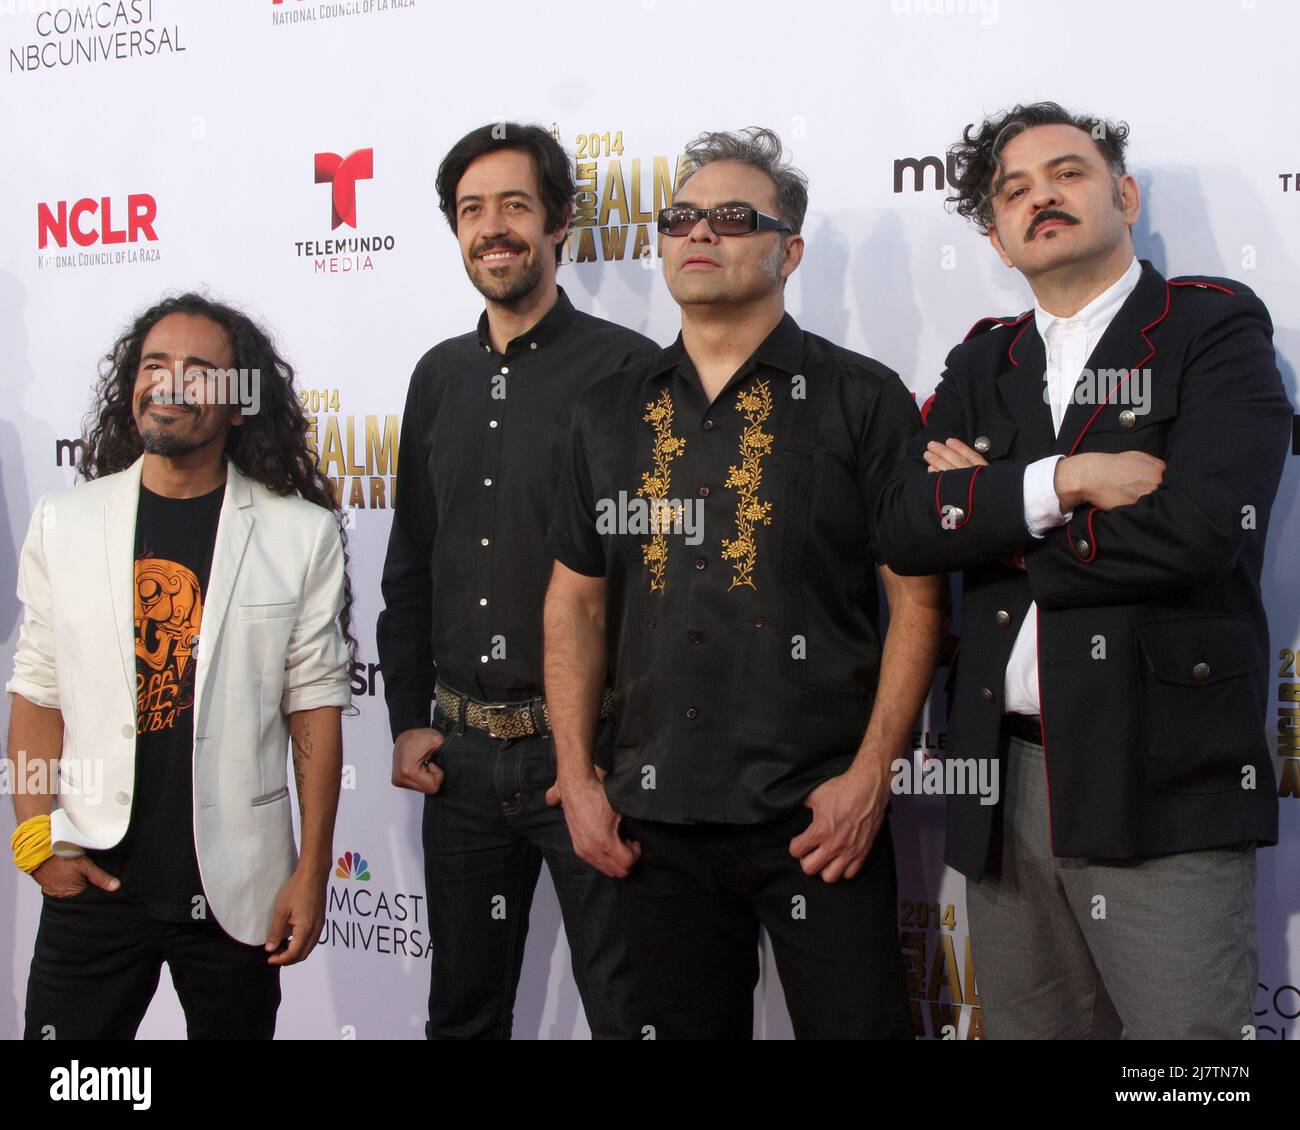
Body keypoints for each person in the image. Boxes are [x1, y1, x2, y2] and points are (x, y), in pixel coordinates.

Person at [873, 102, 1292, 1039]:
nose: (1041, 198)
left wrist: (992, 515)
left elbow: (1196, 531)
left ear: (1124, 194)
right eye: (1014, 190)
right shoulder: (987, 358)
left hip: (1158, 767)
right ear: (996, 237)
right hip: (1000, 773)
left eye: (1067, 173)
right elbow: (905, 524)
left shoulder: (1209, 332)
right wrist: (1070, 480)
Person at [544, 127, 946, 1039]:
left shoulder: (862, 397)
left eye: (732, 218)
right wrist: (576, 775)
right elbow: (575, 597)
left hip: (817, 820)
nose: (699, 233)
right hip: (652, 823)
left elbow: (917, 603)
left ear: (788, 250)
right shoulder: (608, 409)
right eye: (680, 217)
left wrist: (871, 777)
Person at [8, 293, 353, 1039]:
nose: (169, 382)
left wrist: (311, 868)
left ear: (239, 405)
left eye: (200, 371)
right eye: (154, 364)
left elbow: (316, 707)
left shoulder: (301, 535)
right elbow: (37, 693)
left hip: (238, 892)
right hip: (93, 879)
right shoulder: (64, 523)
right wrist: (33, 835)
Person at [377, 122, 656, 1040]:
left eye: (514, 206)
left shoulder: (627, 370)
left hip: (585, 760)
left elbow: (657, 582)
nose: (492, 228)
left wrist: (611, 754)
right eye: (471, 211)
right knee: (461, 1015)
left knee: (629, 1012)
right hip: (457, 761)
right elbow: (411, 560)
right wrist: (409, 714)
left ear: (560, 222)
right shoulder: (437, 376)